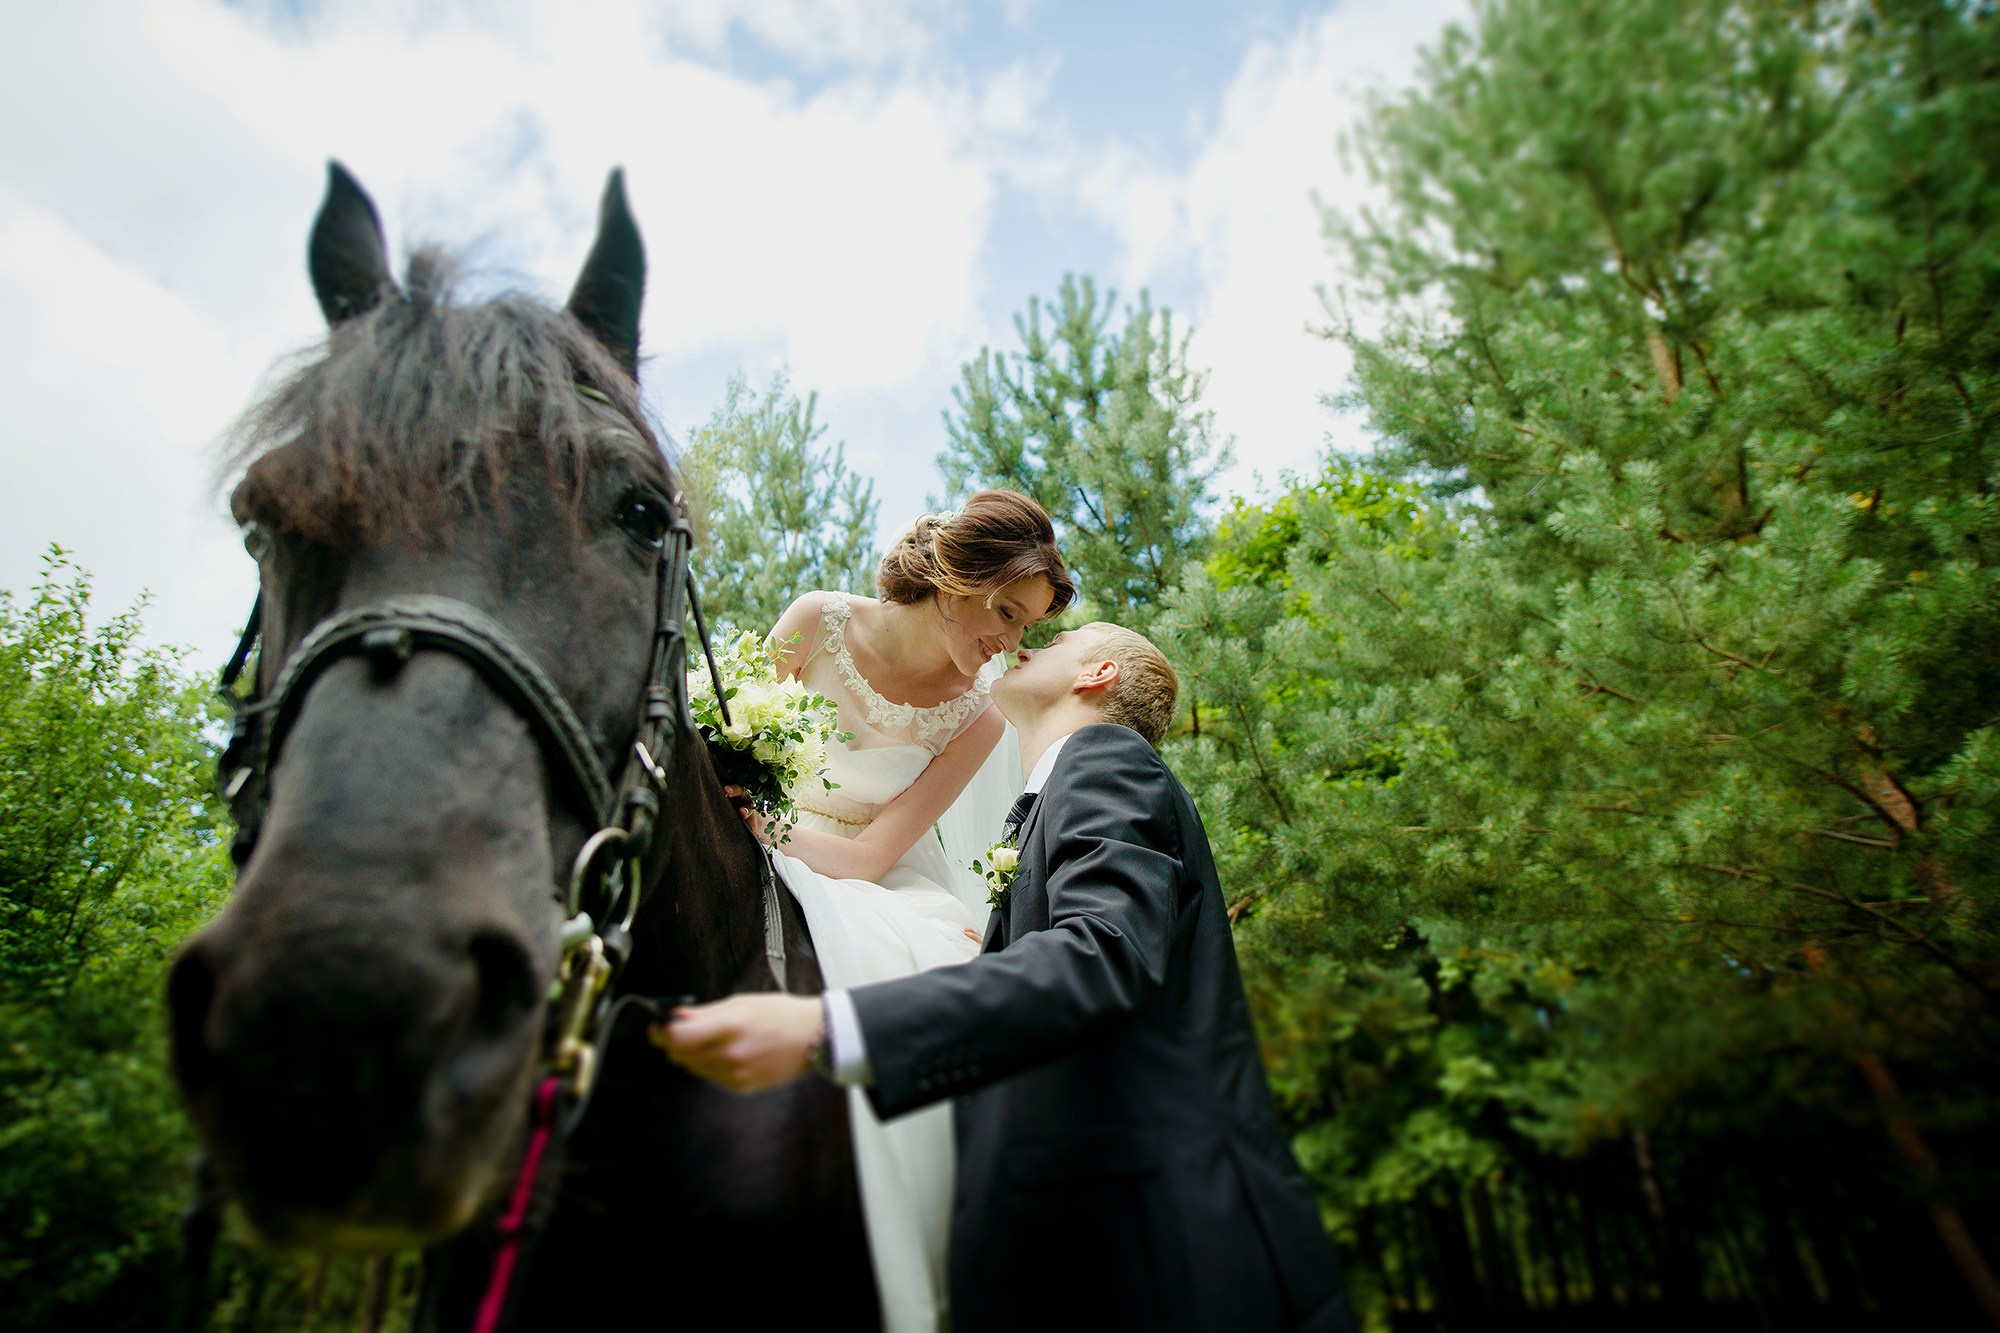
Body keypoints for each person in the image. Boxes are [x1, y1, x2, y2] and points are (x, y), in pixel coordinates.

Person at [661, 622, 1356, 1333]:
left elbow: (1103, 952)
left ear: (1098, 673)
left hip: (1160, 1251)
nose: (1025, 645)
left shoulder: (1105, 759)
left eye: (1056, 644)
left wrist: (829, 1026)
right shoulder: (1056, 801)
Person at [732, 489, 1073, 1333]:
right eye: (1005, 611)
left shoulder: (982, 716)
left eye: (1025, 627)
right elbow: (728, 750)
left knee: (946, 968)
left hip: (872, 873)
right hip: (750, 827)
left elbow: (870, 857)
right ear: (955, 579)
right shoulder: (816, 620)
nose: (1010, 642)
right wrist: (744, 823)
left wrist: (771, 834)